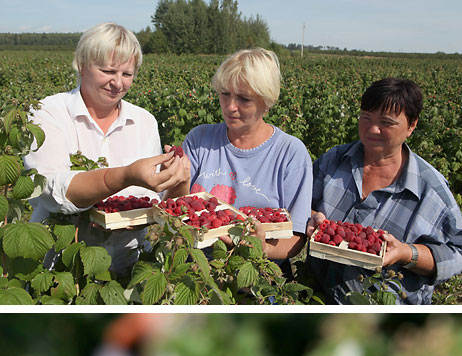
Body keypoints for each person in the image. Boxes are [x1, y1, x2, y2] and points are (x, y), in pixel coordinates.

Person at [24, 23, 190, 274]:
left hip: (129, 264)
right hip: (63, 271)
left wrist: (176, 180)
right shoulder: (47, 113)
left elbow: (152, 199)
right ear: (81, 64)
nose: (118, 83)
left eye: (127, 74)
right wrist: (125, 175)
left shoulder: (144, 121)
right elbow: (50, 189)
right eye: (108, 70)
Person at [307, 78, 462, 304]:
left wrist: (406, 253)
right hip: (317, 296)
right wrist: (312, 217)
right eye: (366, 118)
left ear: (411, 125)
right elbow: (301, 204)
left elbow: (457, 251)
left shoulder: (430, 190)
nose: (372, 129)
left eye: (387, 122)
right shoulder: (334, 160)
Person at [177, 48, 312, 265]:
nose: (231, 107)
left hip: (254, 281)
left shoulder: (290, 153)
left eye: (244, 99)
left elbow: (297, 237)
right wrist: (177, 177)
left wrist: (262, 248)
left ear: (266, 102)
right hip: (195, 271)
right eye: (225, 94)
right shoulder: (200, 139)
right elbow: (175, 207)